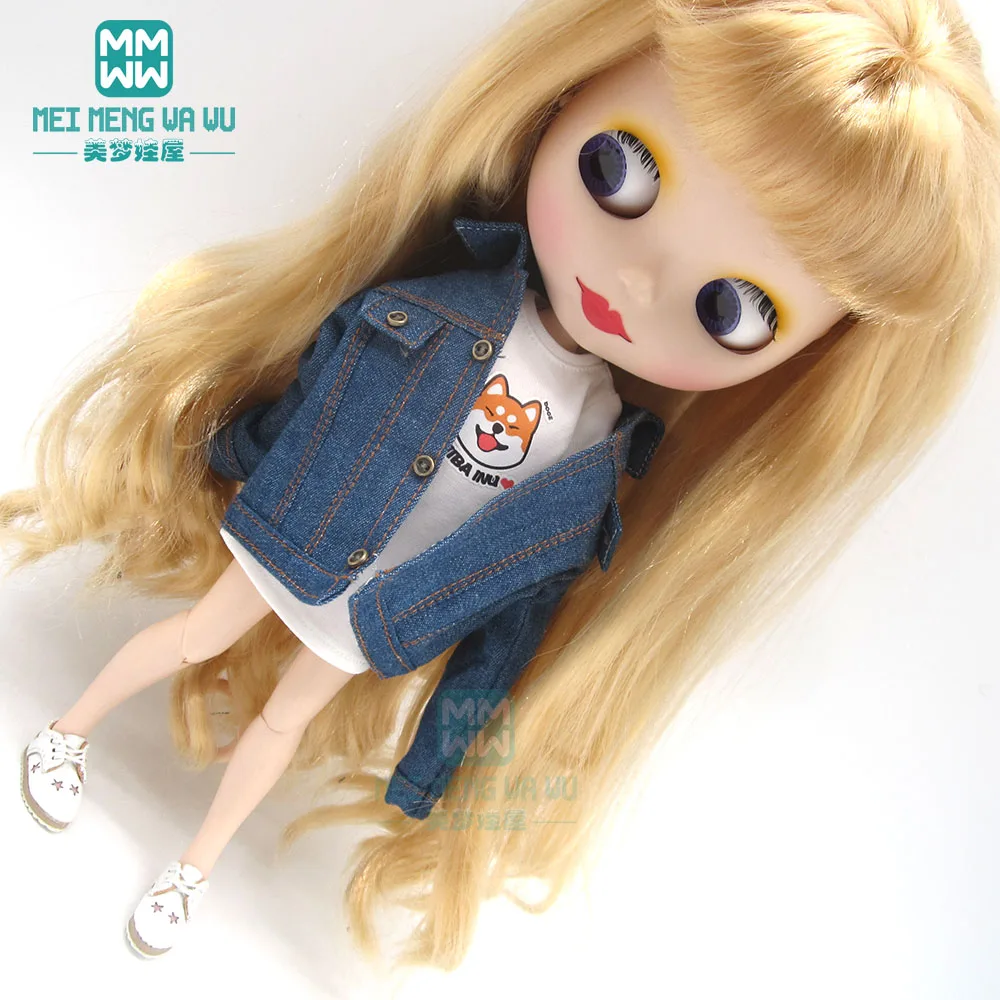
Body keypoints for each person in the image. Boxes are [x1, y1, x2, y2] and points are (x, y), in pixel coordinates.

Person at [5, 0, 999, 969]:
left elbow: (513, 616)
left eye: (732, 309)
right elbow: (331, 382)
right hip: (306, 530)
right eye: (620, 171)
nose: (639, 282)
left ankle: (192, 869)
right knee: (195, 634)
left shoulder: (595, 463)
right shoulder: (441, 307)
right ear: (563, 92)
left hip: (381, 610)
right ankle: (66, 733)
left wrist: (437, 756)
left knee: (282, 719)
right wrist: (234, 453)